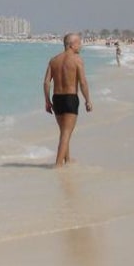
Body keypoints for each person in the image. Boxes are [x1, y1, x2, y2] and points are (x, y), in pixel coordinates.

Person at [43, 33, 93, 168]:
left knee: (64, 131)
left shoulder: (54, 60)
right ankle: (58, 165)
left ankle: (68, 160)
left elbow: (47, 82)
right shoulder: (77, 60)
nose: (81, 45)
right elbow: (82, 82)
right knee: (66, 133)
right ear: (71, 44)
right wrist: (88, 100)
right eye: (79, 43)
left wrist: (47, 101)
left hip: (57, 98)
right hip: (70, 98)